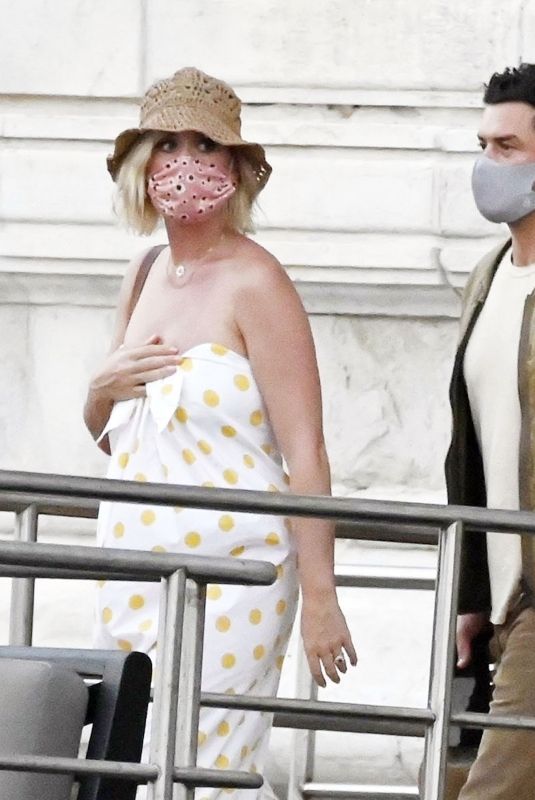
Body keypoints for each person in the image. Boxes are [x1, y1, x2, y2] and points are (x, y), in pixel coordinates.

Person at [84, 66, 356, 797]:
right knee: (133, 764)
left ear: (236, 168)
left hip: (235, 572)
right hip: (136, 567)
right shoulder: (142, 274)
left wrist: (322, 597)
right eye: (167, 143)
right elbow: (115, 435)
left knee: (209, 763)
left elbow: (306, 447)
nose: (185, 162)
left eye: (206, 145)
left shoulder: (257, 281)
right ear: (141, 168)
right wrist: (98, 390)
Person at [445, 63, 535, 800]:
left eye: (505, 147)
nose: (485, 164)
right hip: (507, 601)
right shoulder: (489, 274)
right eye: (482, 144)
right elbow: (477, 445)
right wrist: (473, 594)